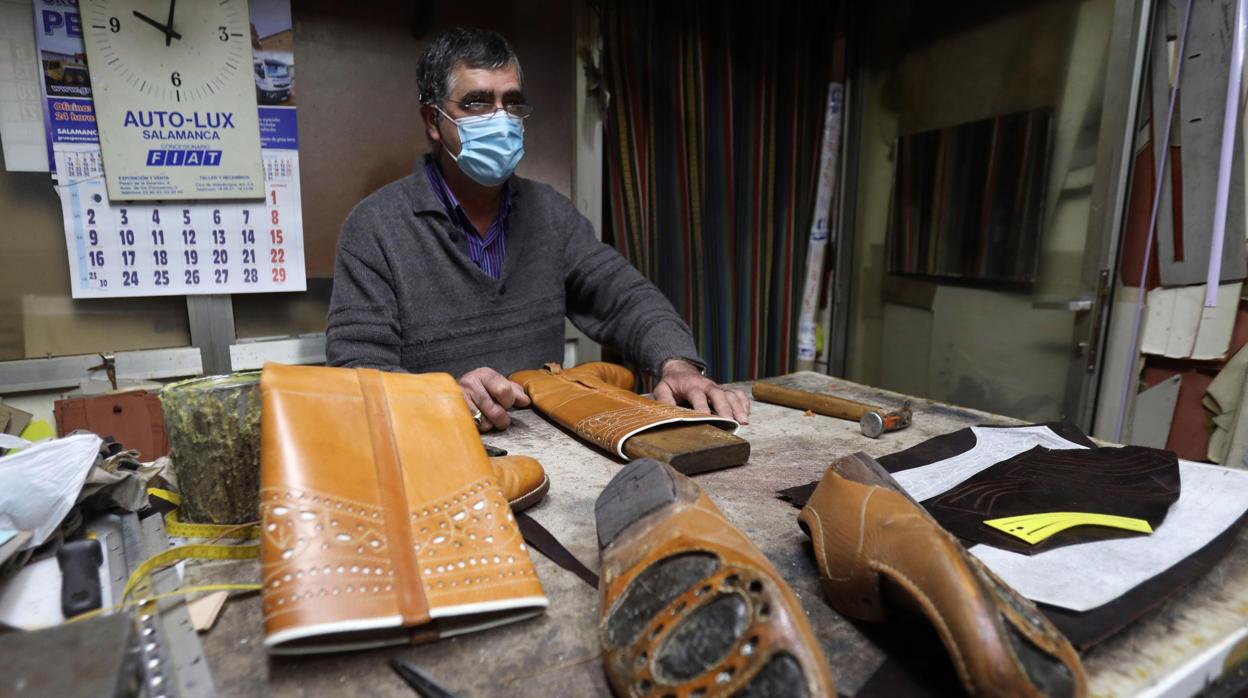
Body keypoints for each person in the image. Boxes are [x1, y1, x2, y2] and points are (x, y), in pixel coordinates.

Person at [326, 26, 749, 433]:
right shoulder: (375, 228)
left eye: (511, 102)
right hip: (435, 457)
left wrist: (677, 363)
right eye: (476, 102)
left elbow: (625, 298)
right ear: (433, 121)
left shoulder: (550, 214)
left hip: (549, 458)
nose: (500, 118)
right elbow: (356, 371)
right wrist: (444, 395)